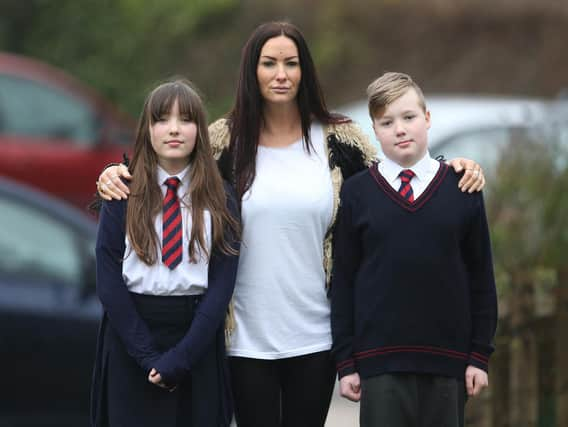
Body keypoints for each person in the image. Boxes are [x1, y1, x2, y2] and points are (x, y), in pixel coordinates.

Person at [95, 22, 486, 427]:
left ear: (305, 71)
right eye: (269, 63)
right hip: (242, 337)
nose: (281, 74)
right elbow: (168, 167)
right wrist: (111, 172)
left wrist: (452, 167)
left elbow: (396, 180)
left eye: (291, 63)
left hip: (315, 335)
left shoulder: (341, 139)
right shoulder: (222, 141)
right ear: (253, 71)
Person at [331, 72, 498, 427]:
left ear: (427, 118)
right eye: (387, 122)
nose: (400, 129)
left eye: (408, 117)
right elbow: (344, 279)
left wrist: (478, 356)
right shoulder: (357, 193)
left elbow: (481, 276)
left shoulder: (462, 188)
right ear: (375, 130)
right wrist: (346, 362)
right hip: (379, 364)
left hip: (448, 362)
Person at [90, 79, 240, 427]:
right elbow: (108, 279)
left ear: (200, 131)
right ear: (147, 129)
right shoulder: (122, 193)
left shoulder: (222, 197)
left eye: (185, 119)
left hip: (196, 339)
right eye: (162, 119)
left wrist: (181, 358)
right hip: (131, 338)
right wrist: (147, 355)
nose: (174, 129)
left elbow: (221, 286)